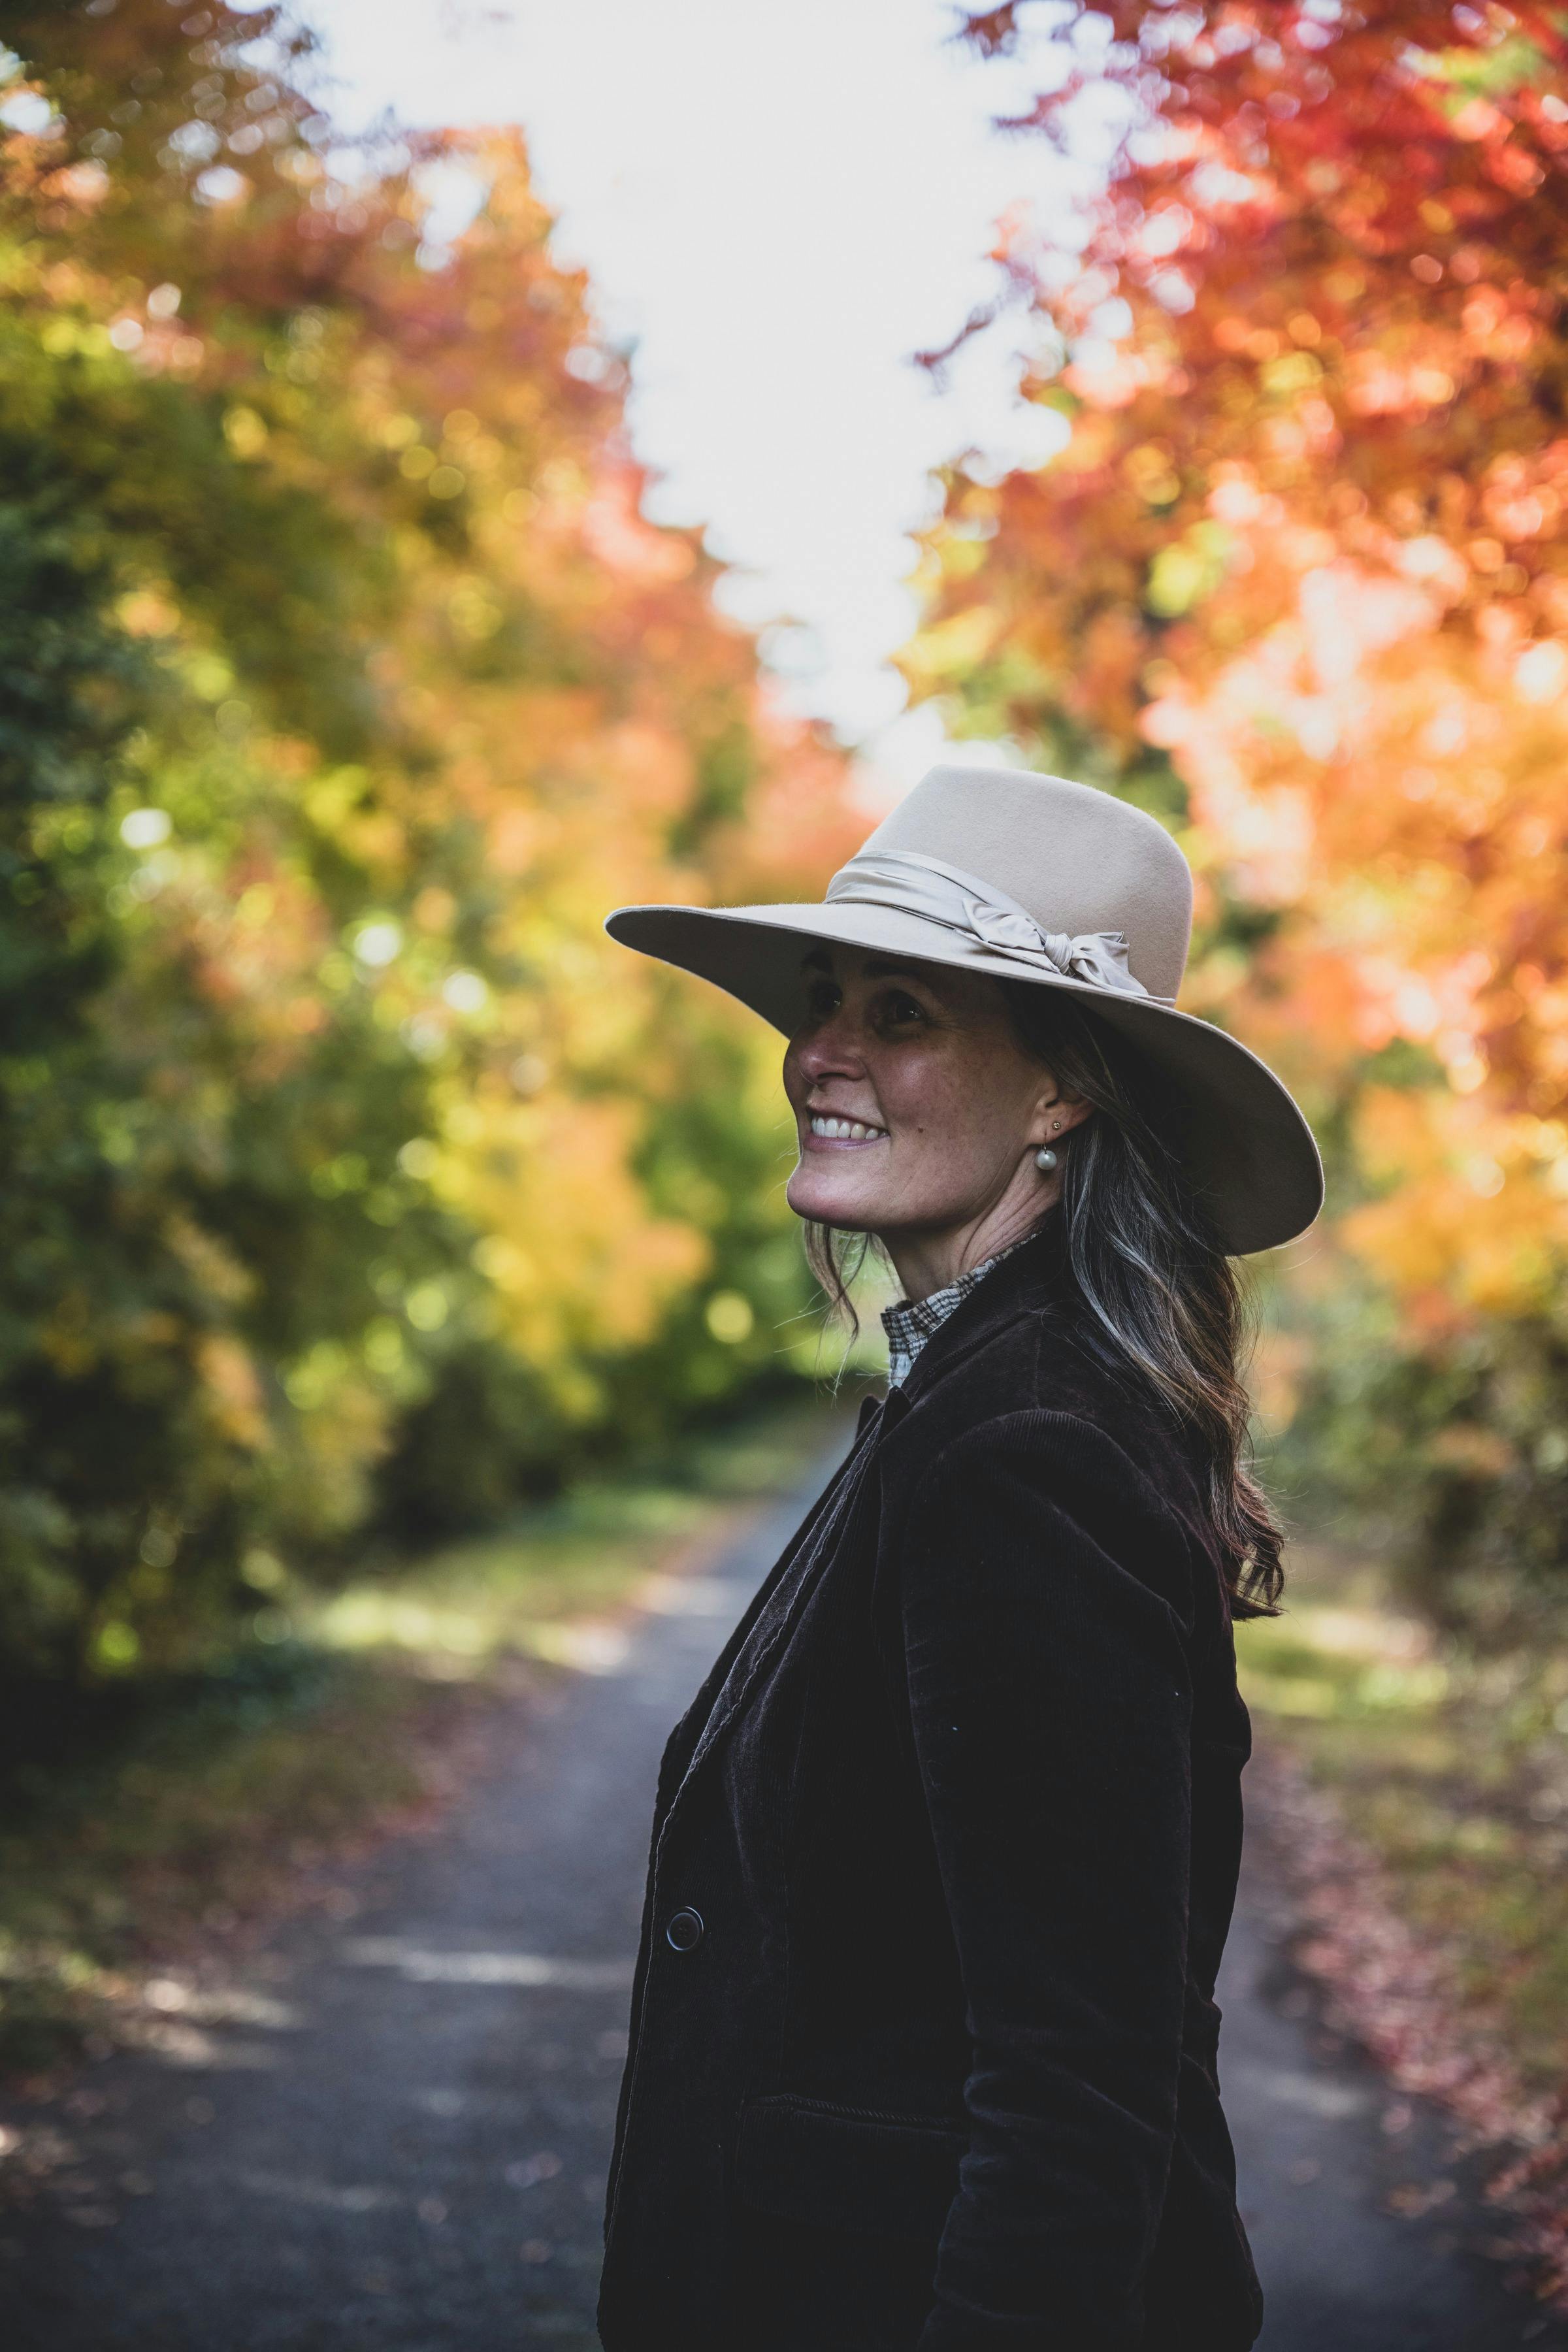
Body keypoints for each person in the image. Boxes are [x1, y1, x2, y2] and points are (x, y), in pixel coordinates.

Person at [595, 762, 1322, 2352]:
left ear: (1061, 1090)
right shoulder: (972, 1394)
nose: (819, 1055)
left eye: (903, 1015)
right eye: (823, 999)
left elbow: (1078, 2093)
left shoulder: (1027, 1451)